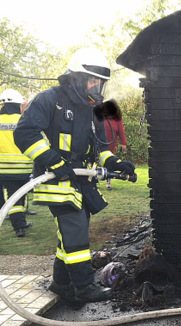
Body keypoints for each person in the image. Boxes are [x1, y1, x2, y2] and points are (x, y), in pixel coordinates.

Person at [14, 47, 136, 306]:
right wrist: (54, 161)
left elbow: (100, 148)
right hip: (55, 180)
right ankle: (83, 287)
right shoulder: (50, 99)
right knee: (77, 233)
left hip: (82, 181)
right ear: (77, 78)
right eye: (92, 80)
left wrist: (115, 162)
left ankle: (60, 283)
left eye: (100, 83)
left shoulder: (95, 110)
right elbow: (25, 133)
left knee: (68, 237)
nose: (96, 87)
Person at [0, 89, 33, 237]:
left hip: (1, 169)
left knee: (10, 196)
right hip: (22, 168)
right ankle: (19, 226)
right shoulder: (23, 120)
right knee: (17, 196)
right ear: (18, 105)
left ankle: (18, 222)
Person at [103, 99, 127, 190]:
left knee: (109, 163)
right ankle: (94, 180)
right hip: (98, 145)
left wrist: (123, 143)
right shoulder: (99, 117)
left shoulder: (117, 119)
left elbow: (121, 132)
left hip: (111, 146)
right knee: (95, 162)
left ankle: (108, 182)